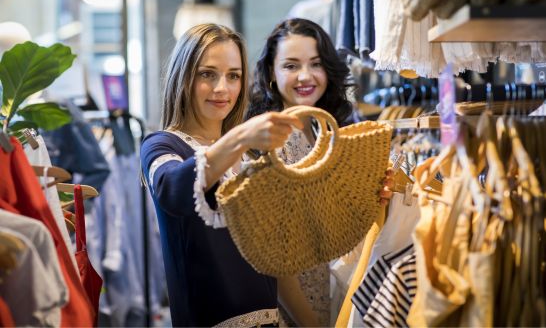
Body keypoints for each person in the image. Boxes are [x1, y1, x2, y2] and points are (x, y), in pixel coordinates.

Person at [140, 23, 393, 327]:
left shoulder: (248, 156)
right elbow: (170, 188)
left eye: (233, 76)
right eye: (208, 74)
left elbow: (274, 254)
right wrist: (240, 137)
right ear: (183, 79)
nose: (222, 88)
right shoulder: (163, 145)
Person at [247, 18, 393, 326]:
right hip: (294, 311)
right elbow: (276, 258)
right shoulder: (269, 143)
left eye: (315, 64)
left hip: (330, 296)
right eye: (290, 66)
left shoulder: (321, 130)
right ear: (271, 74)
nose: (305, 76)